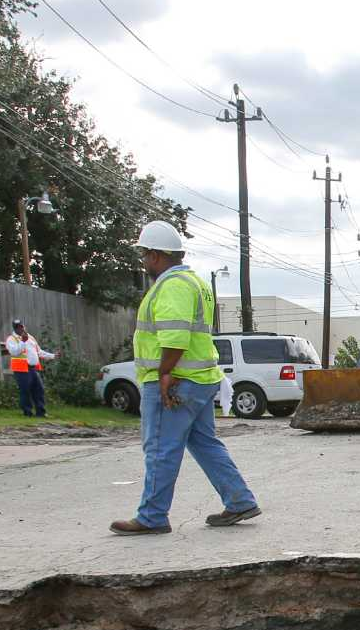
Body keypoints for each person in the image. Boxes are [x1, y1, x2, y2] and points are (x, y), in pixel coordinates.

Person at [109, 221, 262, 535]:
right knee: (205, 443)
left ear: (154, 255)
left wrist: (164, 373)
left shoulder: (173, 286)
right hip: (200, 378)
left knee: (160, 447)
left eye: (144, 255)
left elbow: (175, 337)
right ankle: (239, 500)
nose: (143, 262)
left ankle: (152, 516)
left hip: (177, 380)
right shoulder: (195, 282)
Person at [4, 319, 55, 418]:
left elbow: (39, 352)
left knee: (39, 390)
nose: (20, 328)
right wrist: (23, 342)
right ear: (14, 328)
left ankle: (41, 413)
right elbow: (14, 352)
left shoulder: (30, 337)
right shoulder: (11, 339)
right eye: (17, 327)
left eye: (21, 326)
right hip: (21, 369)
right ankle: (27, 413)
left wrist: (52, 356)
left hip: (32, 368)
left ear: (24, 326)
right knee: (25, 391)